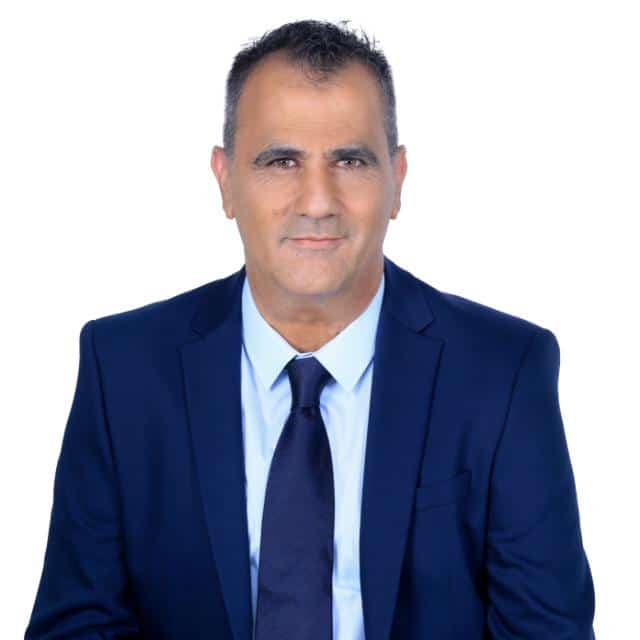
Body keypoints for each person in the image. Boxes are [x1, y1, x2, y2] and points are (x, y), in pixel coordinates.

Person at [24, 18, 596, 640]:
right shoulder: (124, 371)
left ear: (397, 180)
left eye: (350, 160)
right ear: (226, 180)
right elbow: (76, 626)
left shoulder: (504, 371)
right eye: (281, 161)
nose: (318, 201)